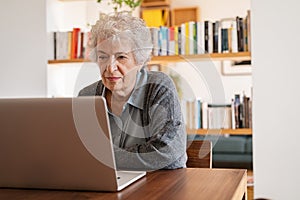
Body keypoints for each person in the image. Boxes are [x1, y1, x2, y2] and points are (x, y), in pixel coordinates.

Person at [78, 12, 187, 171]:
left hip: (161, 185)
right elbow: (79, 154)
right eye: (103, 57)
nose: (110, 67)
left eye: (121, 57)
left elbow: (167, 152)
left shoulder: (158, 87)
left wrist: (102, 157)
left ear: (140, 60)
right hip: (106, 185)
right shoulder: (87, 96)